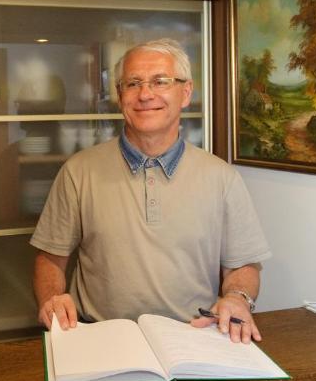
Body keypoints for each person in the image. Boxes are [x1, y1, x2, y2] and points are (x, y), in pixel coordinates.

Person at [30, 38, 271, 343]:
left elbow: (243, 264)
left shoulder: (222, 177)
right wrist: (52, 298)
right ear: (120, 96)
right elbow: (50, 258)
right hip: (98, 337)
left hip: (195, 337)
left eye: (160, 81)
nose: (145, 94)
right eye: (133, 83)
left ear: (185, 93)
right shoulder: (78, 171)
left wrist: (237, 297)